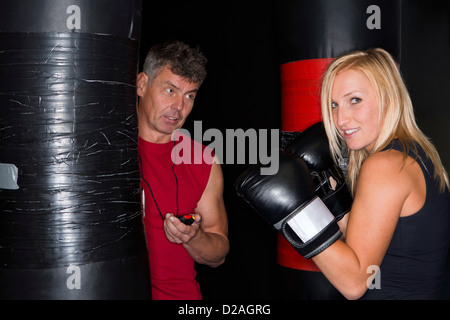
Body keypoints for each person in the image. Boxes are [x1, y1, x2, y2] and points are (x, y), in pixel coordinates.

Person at [316, 48, 450, 299]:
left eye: (354, 100)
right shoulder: (413, 153)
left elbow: (354, 283)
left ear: (388, 97)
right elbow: (375, 246)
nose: (340, 118)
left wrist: (296, 214)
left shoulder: (385, 165)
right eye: (334, 105)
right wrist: (330, 199)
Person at [136, 40, 229, 300]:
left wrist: (193, 237)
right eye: (170, 90)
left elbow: (218, 253)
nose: (179, 107)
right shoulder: (104, 149)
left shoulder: (203, 160)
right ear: (142, 84)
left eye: (190, 95)